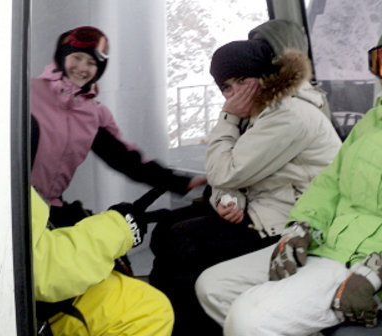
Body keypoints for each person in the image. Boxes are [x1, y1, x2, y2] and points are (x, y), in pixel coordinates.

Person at [195, 19, 382, 335]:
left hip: (370, 265)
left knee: (249, 319)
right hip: (326, 244)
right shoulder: (375, 121)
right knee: (213, 287)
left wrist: (380, 270)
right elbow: (330, 184)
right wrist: (302, 227)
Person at [148, 37, 342, 335]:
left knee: (181, 245)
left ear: (264, 77)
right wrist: (229, 201)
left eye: (241, 80)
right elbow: (230, 177)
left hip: (294, 224)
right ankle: (161, 323)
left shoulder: (287, 115)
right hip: (263, 210)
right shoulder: (259, 113)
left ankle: (181, 325)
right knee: (165, 232)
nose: (235, 93)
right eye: (227, 87)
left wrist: (226, 116)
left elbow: (226, 172)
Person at [30, 26, 205, 227]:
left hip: (50, 207)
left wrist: (178, 182)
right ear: (62, 58)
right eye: (76, 57)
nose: (82, 68)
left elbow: (124, 159)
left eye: (91, 63)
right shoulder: (29, 93)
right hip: (13, 203)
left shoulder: (93, 115)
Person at [31, 187, 173, 335]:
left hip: (44, 289)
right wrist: (122, 226)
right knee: (148, 312)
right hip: (42, 304)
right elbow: (48, 269)